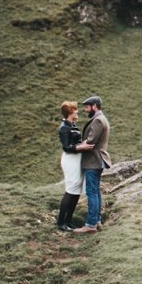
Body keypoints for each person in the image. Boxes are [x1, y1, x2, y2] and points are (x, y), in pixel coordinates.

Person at [72, 94, 111, 234]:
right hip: (97, 160)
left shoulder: (98, 121)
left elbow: (90, 142)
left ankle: (91, 224)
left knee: (91, 192)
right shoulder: (101, 119)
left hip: (93, 161)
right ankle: (97, 221)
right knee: (95, 192)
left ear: (95, 106)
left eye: (88, 107)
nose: (86, 110)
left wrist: (74, 147)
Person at [55, 101, 83, 232]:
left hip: (76, 159)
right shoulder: (64, 128)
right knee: (71, 189)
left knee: (76, 189)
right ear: (70, 112)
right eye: (75, 110)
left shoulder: (72, 125)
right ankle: (61, 222)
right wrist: (81, 147)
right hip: (70, 159)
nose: (77, 112)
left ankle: (68, 221)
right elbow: (66, 147)